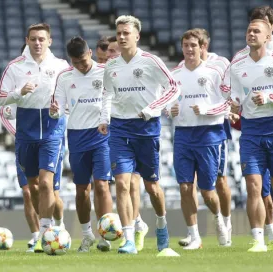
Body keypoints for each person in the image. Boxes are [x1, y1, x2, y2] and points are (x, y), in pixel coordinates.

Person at [99, 15, 180, 254]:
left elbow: (174, 87)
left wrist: (153, 108)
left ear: (137, 36)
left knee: (152, 186)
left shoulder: (150, 61)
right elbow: (106, 94)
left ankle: (161, 224)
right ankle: (129, 238)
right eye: (119, 33)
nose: (122, 37)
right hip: (120, 129)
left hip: (147, 129)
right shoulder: (111, 66)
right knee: (122, 184)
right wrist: (104, 119)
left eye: (126, 33)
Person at [225, 19, 273, 252]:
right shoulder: (238, 64)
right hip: (251, 130)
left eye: (256, 31)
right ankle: (258, 239)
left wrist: (271, 98)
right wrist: (233, 106)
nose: (251, 34)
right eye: (248, 30)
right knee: (253, 185)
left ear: (268, 37)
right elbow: (237, 96)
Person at [0, 23, 69, 251]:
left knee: (47, 184)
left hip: (52, 130)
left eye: (42, 39)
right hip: (25, 132)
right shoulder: (15, 67)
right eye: (34, 39)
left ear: (50, 41)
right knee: (33, 188)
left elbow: (71, 95)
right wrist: (19, 93)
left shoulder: (60, 66)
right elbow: (0, 97)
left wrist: (61, 108)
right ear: (27, 40)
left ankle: (46, 234)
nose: (38, 43)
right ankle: (54, 226)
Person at [50, 36, 114, 252]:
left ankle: (105, 235)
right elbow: (58, 105)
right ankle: (87, 235)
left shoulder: (104, 72)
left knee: (102, 185)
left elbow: (109, 99)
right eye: (75, 63)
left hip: (100, 134)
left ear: (90, 53)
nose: (80, 66)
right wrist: (54, 111)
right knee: (81, 189)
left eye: (83, 61)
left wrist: (105, 119)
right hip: (76, 136)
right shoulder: (65, 77)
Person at [169, 29, 229, 250]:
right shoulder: (175, 74)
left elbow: (227, 103)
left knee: (207, 190)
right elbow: (166, 100)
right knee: (185, 187)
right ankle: (194, 236)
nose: (189, 49)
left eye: (193, 45)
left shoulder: (214, 72)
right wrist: (170, 109)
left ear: (202, 47)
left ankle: (219, 218)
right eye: (185, 45)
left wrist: (207, 109)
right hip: (183, 134)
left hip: (209, 134)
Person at [0, 102, 65, 253]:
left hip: (50, 139)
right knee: (29, 190)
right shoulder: (18, 84)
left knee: (50, 189)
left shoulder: (55, 81)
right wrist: (22, 133)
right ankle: (39, 235)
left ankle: (59, 225)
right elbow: (4, 110)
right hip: (25, 140)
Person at [106, 35, 149, 251]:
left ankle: (131, 232)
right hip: (105, 132)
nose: (111, 54)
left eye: (115, 50)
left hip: (128, 131)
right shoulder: (105, 72)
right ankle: (137, 225)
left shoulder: (131, 71)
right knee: (118, 183)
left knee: (131, 183)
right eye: (108, 51)